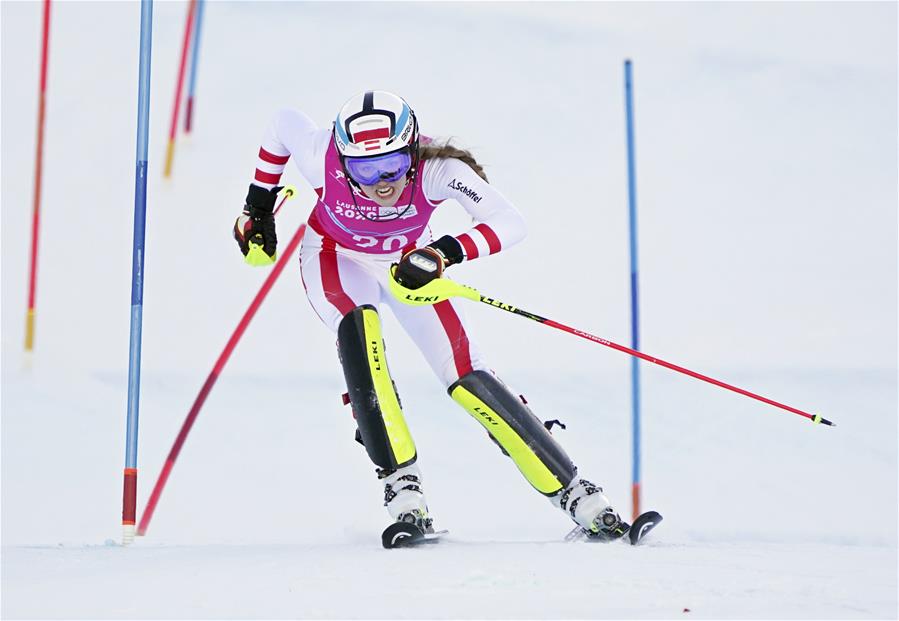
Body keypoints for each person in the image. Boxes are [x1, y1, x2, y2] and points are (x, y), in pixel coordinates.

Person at [234, 90, 628, 541]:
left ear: (411, 150)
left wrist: (443, 253)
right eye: (364, 170)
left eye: (392, 166)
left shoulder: (438, 168)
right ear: (343, 160)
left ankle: (578, 495)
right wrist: (257, 206)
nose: (381, 182)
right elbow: (283, 122)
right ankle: (402, 489)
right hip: (335, 256)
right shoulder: (319, 154)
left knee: (467, 376)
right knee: (359, 335)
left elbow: (510, 221)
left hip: (409, 267)